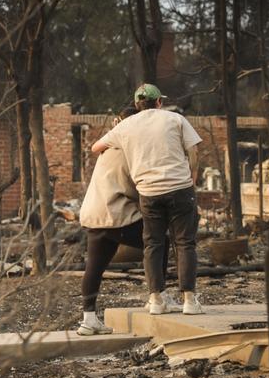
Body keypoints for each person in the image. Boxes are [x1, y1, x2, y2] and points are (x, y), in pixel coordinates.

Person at [92, 84, 204, 315]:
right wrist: (192, 177)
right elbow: (194, 151)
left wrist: (117, 133)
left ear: (136, 105)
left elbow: (96, 147)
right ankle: (190, 301)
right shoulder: (175, 119)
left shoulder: (126, 126)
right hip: (180, 188)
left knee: (153, 244)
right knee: (185, 243)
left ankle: (155, 300)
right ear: (159, 102)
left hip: (149, 192)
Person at [77, 105, 179, 335]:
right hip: (117, 212)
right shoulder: (132, 147)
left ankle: (88, 319)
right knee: (157, 242)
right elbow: (142, 185)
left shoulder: (109, 145)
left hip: (95, 213)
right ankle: (158, 296)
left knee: (95, 266)